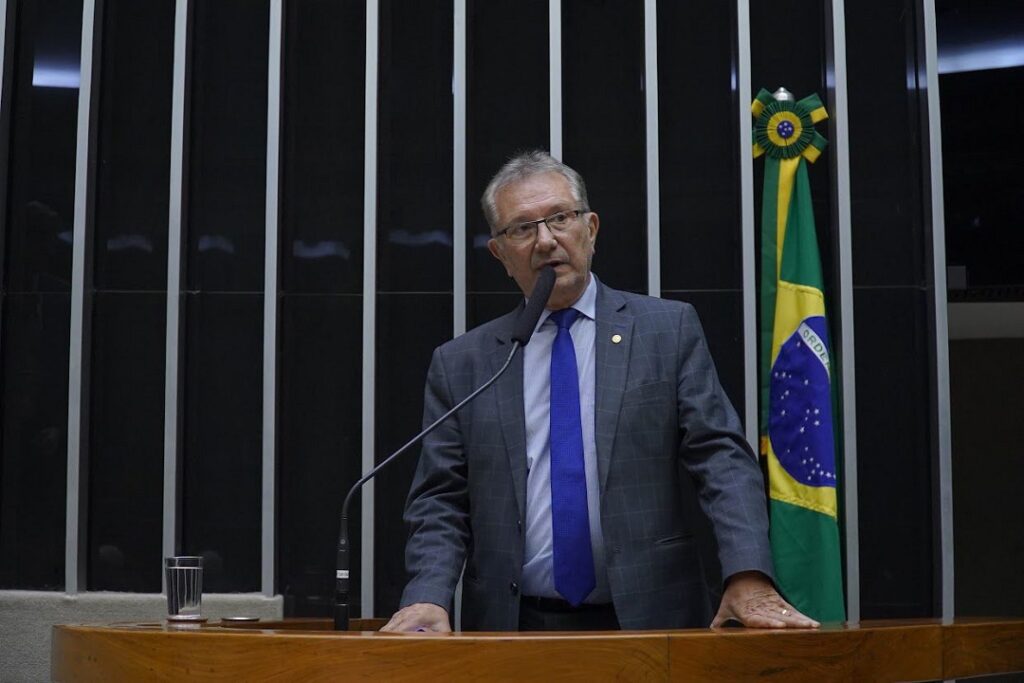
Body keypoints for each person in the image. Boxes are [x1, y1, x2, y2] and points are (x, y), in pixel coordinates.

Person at [382, 151, 818, 632]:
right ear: (500, 254)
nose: (546, 241)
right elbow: (441, 499)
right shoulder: (464, 362)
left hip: (653, 619)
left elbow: (722, 459)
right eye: (522, 229)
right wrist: (427, 595)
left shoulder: (665, 331)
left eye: (559, 219)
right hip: (512, 626)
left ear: (590, 228)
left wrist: (748, 572)